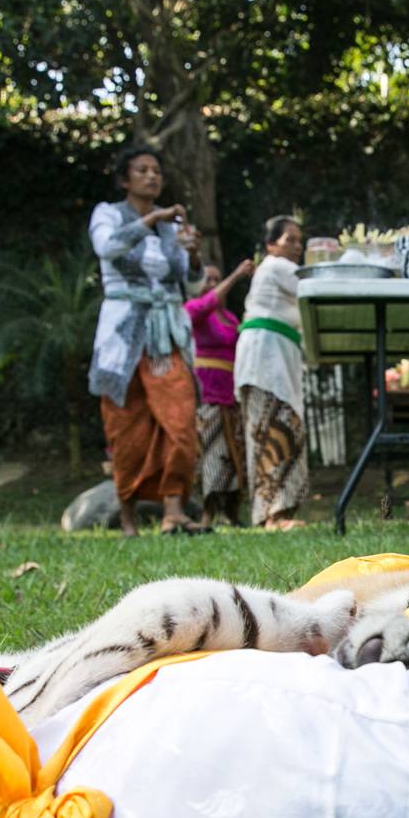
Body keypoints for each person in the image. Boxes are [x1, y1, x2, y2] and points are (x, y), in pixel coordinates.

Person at [87, 145, 207, 537]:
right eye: (142, 170)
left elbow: (191, 286)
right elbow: (107, 247)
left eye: (156, 170)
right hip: (122, 339)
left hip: (166, 337)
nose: (152, 177)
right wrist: (152, 218)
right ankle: (128, 517)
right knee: (126, 427)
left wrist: (192, 257)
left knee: (181, 421)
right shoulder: (108, 214)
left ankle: (174, 508)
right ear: (125, 179)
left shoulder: (172, 231)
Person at [234, 215, 309, 530]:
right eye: (288, 239)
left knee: (285, 425)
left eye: (298, 240)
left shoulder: (282, 272)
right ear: (270, 245)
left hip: (279, 353)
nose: (296, 245)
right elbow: (312, 287)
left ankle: (281, 512)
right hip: (264, 354)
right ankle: (270, 515)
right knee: (269, 428)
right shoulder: (276, 267)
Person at [185, 258, 254, 528]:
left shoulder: (231, 319)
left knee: (230, 453)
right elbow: (204, 305)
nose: (213, 284)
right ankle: (206, 512)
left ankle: (231, 510)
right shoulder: (194, 310)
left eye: (217, 278)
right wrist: (236, 275)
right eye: (208, 279)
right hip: (206, 393)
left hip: (229, 394)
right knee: (209, 453)